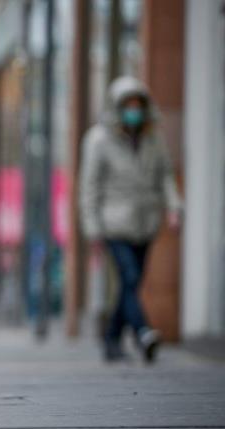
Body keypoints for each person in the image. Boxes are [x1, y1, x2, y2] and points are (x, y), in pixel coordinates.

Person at [79, 76, 182, 363]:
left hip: (146, 222)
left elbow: (165, 175)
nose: (133, 111)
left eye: (138, 105)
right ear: (116, 107)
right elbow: (89, 189)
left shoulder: (153, 138)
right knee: (130, 276)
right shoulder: (98, 140)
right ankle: (143, 332)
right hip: (113, 224)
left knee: (130, 284)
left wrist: (174, 206)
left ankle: (112, 339)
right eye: (128, 106)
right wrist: (93, 231)